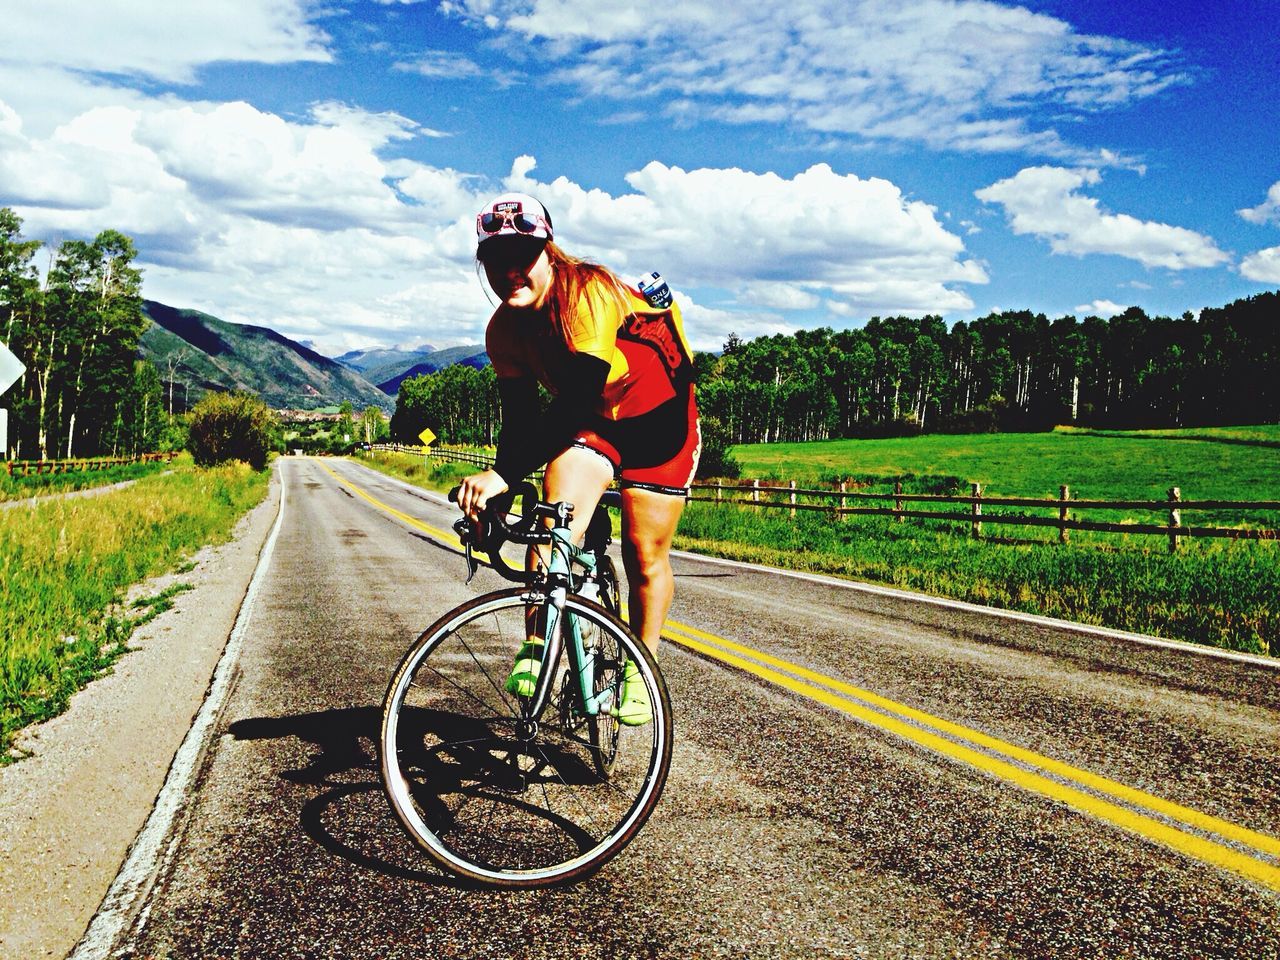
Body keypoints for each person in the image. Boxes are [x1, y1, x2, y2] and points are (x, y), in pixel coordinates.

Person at [455, 192, 701, 726]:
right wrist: (500, 487)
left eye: (524, 256)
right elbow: (520, 422)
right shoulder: (502, 331)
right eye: (496, 261)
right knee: (552, 525)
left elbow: (574, 399)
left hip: (659, 424)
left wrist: (501, 474)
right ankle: (537, 645)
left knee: (643, 552)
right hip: (597, 424)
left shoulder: (587, 293)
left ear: (551, 253)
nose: (510, 271)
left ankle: (642, 668)